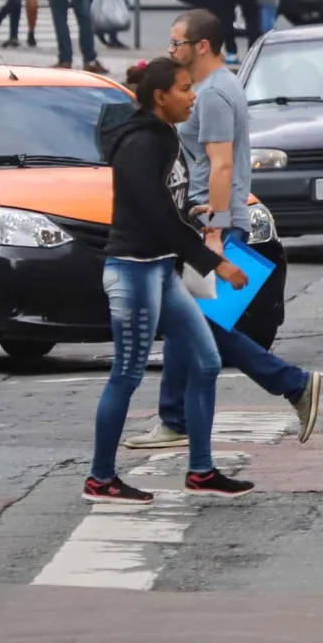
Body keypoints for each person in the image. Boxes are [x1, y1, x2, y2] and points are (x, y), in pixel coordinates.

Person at [120, 9, 323, 453]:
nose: (170, 49)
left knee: (201, 327)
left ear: (201, 46)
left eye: (177, 42)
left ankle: (293, 384)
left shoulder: (212, 94)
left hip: (216, 225)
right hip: (212, 221)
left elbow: (222, 165)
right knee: (189, 324)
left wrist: (213, 232)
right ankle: (175, 419)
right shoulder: (220, 86)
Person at [89, 59, 254, 504]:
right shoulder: (142, 142)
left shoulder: (163, 134)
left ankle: (201, 471)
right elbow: (155, 216)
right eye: (184, 89)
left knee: (206, 362)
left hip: (160, 269)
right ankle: (100, 479)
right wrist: (214, 263)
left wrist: (191, 214)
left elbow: (164, 204)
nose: (192, 96)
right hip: (134, 271)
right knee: (126, 374)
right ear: (160, 96)